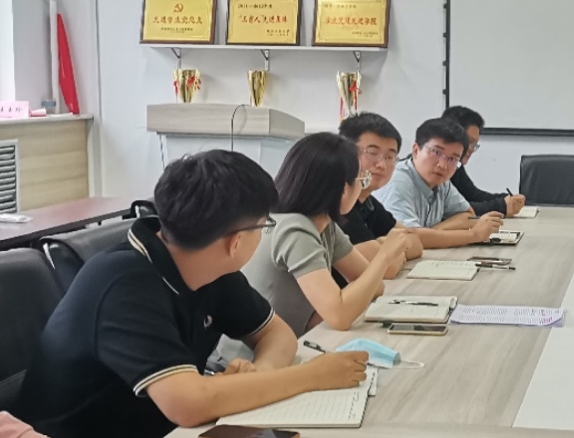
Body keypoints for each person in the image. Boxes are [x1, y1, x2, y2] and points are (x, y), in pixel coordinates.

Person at [15, 150, 369, 438]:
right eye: (263, 226)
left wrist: (258, 374)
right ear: (236, 242)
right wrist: (312, 376)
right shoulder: (123, 283)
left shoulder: (209, 267)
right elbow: (187, 404)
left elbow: (277, 333)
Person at [217, 133, 410, 368]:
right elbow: (340, 316)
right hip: (248, 364)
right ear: (343, 189)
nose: (363, 185)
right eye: (361, 178)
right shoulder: (293, 228)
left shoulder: (325, 226)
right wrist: (384, 256)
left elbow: (374, 287)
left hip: (289, 350)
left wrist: (337, 303)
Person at [380, 117, 504, 248]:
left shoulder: (441, 181)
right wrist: (473, 235)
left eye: (453, 159)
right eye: (436, 152)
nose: (443, 165)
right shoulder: (397, 181)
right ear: (416, 150)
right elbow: (408, 238)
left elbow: (467, 215)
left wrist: (431, 233)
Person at [336, 112, 424, 265]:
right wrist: (389, 248)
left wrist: (383, 247)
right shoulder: (339, 203)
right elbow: (388, 267)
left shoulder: (368, 202)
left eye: (390, 157)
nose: (382, 165)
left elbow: (416, 244)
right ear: (346, 153)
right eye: (373, 153)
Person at [441, 106, 525, 217]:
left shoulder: (455, 166)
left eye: (475, 145)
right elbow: (452, 209)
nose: (471, 149)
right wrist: (501, 206)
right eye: (469, 141)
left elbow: (473, 195)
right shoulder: (436, 167)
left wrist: (507, 199)